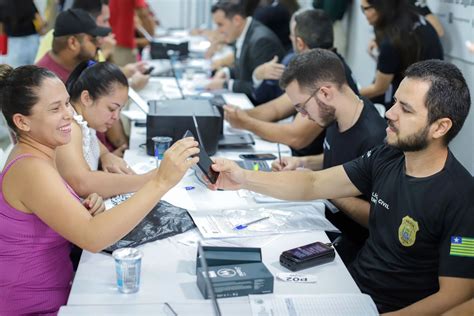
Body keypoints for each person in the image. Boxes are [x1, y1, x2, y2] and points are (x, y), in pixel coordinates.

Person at [210, 59, 474, 314]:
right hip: (351, 287)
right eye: (394, 103)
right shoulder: (387, 155)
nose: (390, 114)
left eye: (405, 109)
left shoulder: (462, 198)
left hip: (389, 308)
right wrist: (243, 178)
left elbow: (455, 296)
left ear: (440, 127)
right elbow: (313, 183)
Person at [0, 64, 199, 315]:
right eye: (55, 108)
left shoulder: (38, 155)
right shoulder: (30, 168)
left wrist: (82, 205)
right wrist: (159, 181)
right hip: (35, 307)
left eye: (65, 104)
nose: (68, 115)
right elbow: (93, 237)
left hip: (57, 292)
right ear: (22, 122)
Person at [270, 49, 387, 264]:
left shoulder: (375, 139)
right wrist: (302, 162)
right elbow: (339, 159)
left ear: (324, 93)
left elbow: (378, 217)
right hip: (323, 220)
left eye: (302, 107)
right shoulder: (336, 114)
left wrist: (325, 188)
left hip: (350, 244)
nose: (303, 116)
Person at [224, 9, 358, 157]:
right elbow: (277, 108)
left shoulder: (326, 75)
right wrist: (238, 114)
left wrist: (246, 123)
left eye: (292, 36)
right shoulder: (319, 65)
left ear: (300, 43)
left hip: (311, 163)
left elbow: (297, 136)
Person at [55, 61, 155, 198]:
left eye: (120, 109)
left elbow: (96, 146)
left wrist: (106, 155)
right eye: (112, 109)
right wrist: (147, 180)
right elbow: (82, 183)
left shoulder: (84, 122)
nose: (116, 117)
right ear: (87, 98)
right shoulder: (69, 127)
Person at [360, 0, 443, 109]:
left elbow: (379, 88)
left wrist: (351, 94)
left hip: (417, 98)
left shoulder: (390, 44)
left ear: (381, 7)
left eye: (365, 9)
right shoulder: (414, 17)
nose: (364, 15)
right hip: (434, 91)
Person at [205, 0, 285, 104]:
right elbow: (246, 70)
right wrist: (227, 72)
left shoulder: (261, 41)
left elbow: (261, 90)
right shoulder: (244, 33)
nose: (218, 31)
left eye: (220, 25)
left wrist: (226, 84)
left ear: (237, 20)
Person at [36, 8, 111, 83]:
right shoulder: (43, 82)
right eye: (93, 40)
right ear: (72, 43)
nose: (98, 44)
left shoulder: (82, 65)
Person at [109, 0, 155, 66]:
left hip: (114, 41)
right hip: (127, 46)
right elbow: (143, 12)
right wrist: (152, 36)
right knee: (131, 74)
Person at [0, 0, 45, 67]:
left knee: (17, 74)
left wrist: (2, 48)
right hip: (32, 41)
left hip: (13, 44)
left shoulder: (2, 2)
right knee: (36, 73)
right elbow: (40, 22)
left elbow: (1, 29)